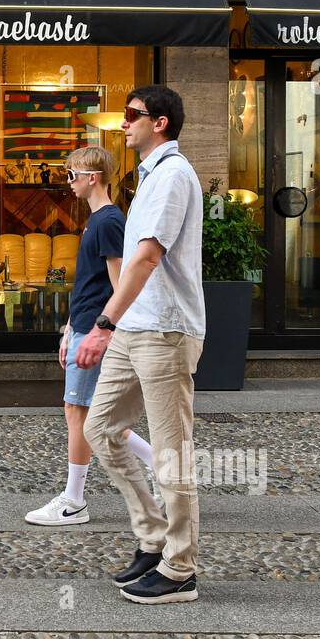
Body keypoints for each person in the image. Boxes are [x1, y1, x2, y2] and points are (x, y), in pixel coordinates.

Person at [77, 84, 206, 604]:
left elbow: (148, 257)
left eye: (133, 115)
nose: (123, 123)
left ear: (161, 124)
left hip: (165, 330)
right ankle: (153, 539)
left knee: (172, 454)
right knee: (101, 428)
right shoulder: (148, 175)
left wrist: (101, 325)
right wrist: (109, 324)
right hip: (136, 326)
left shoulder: (173, 175)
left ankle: (180, 570)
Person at [25, 145, 154, 526]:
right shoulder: (98, 220)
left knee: (80, 412)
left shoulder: (109, 221)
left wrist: (105, 331)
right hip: (84, 327)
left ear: (92, 177)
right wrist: (70, 328)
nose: (68, 183)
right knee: (98, 415)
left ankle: (74, 500)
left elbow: (120, 283)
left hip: (96, 330)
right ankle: (165, 471)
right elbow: (88, 283)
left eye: (72, 175)